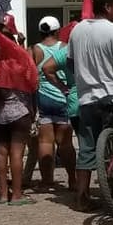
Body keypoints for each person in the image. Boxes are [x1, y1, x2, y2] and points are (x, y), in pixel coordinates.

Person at [68, 0, 113, 212]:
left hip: (86, 100)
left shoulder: (77, 30)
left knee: (86, 149)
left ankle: (81, 197)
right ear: (107, 7)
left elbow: (70, 63)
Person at [0, 35, 36, 205]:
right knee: (17, 154)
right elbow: (33, 86)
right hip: (20, 112)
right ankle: (16, 194)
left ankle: (2, 194)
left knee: (1, 152)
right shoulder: (21, 63)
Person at [33, 16, 77, 192]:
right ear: (58, 30)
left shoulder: (35, 49)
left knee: (45, 141)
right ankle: (72, 180)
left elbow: (32, 73)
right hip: (62, 96)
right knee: (65, 143)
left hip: (43, 97)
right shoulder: (64, 47)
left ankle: (46, 181)